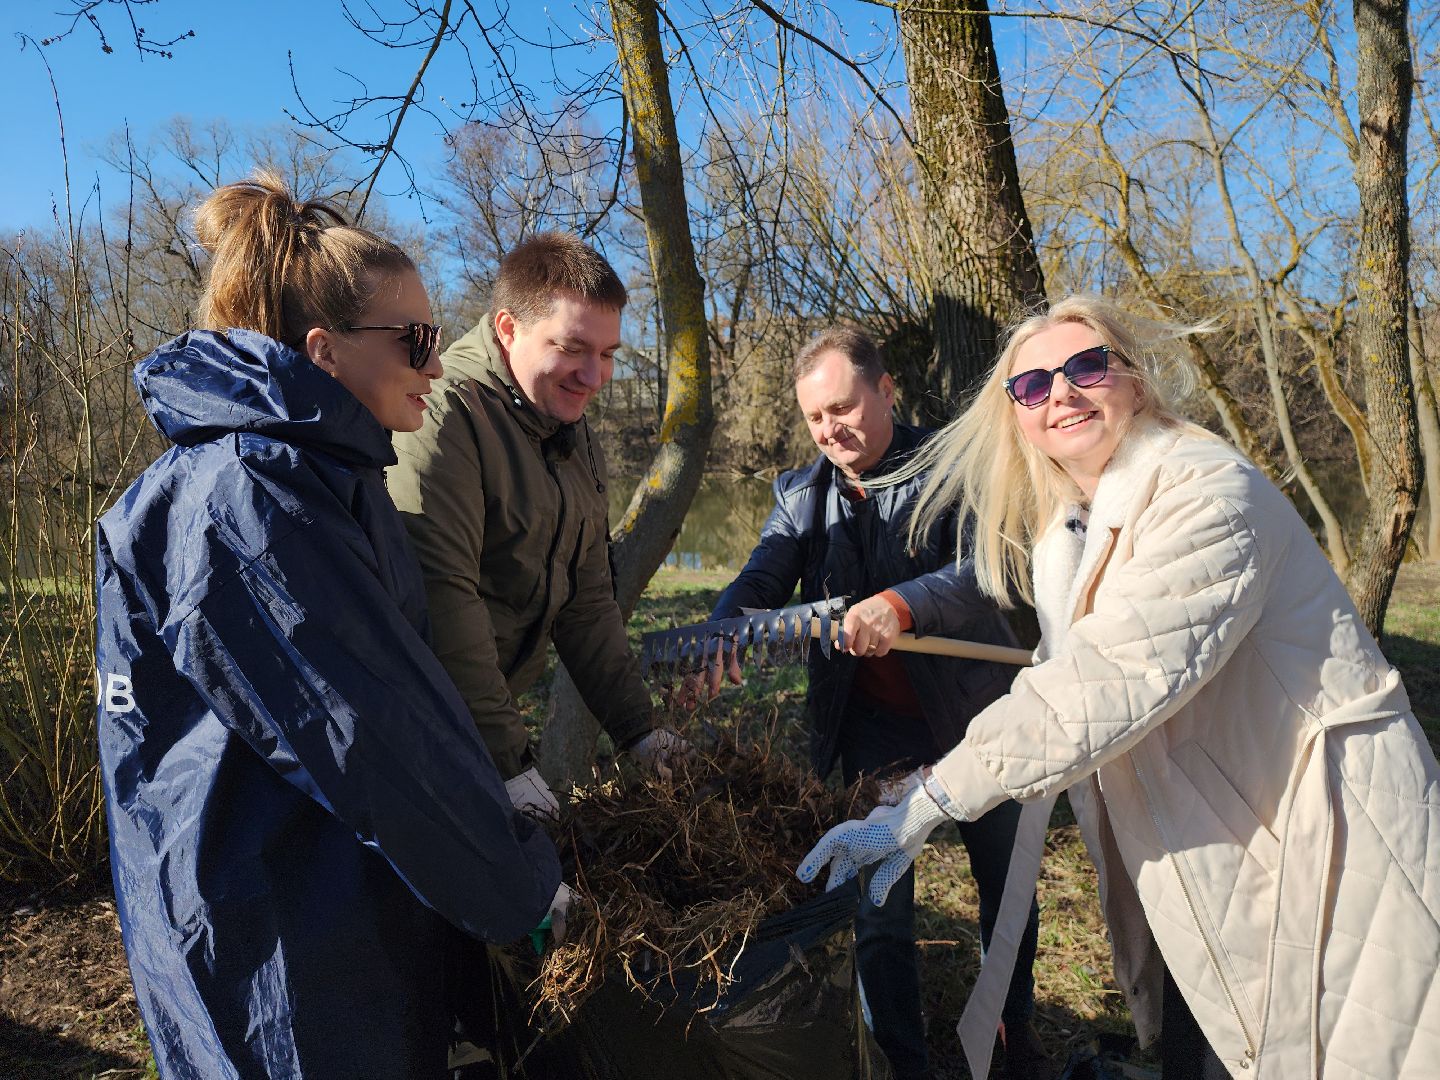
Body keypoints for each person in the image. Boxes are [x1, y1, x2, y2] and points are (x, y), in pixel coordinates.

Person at [798, 296, 1440, 1078]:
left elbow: (1104, 685)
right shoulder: (1071, 530)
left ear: (1133, 380)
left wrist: (926, 801)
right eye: (1032, 385)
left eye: (1086, 366)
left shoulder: (1205, 493)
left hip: (1324, 856)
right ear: (1017, 416)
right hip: (1220, 857)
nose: (1060, 393)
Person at [95, 173, 566, 1079]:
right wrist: (522, 889)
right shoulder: (248, 499)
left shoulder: (325, 479)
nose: (438, 363)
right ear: (325, 351)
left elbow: (395, 694)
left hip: (330, 913)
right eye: (417, 339)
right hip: (275, 935)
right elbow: (370, 736)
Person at [695, 327, 1049, 1080]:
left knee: (1006, 897)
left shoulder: (957, 468)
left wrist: (901, 603)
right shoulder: (801, 498)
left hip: (979, 720)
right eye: (816, 418)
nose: (831, 430)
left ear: (886, 390)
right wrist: (726, 626)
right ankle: (901, 1063)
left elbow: (989, 571)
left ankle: (1009, 1046)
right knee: (879, 912)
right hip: (871, 733)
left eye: (844, 408)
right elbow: (761, 578)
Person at [388, 232, 685, 806]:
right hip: (416, 733)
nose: (594, 377)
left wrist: (639, 729)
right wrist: (509, 765)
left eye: (607, 354)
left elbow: (588, 599)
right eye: (573, 348)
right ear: (507, 329)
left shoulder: (571, 433)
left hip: (481, 721)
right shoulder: (444, 414)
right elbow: (442, 599)